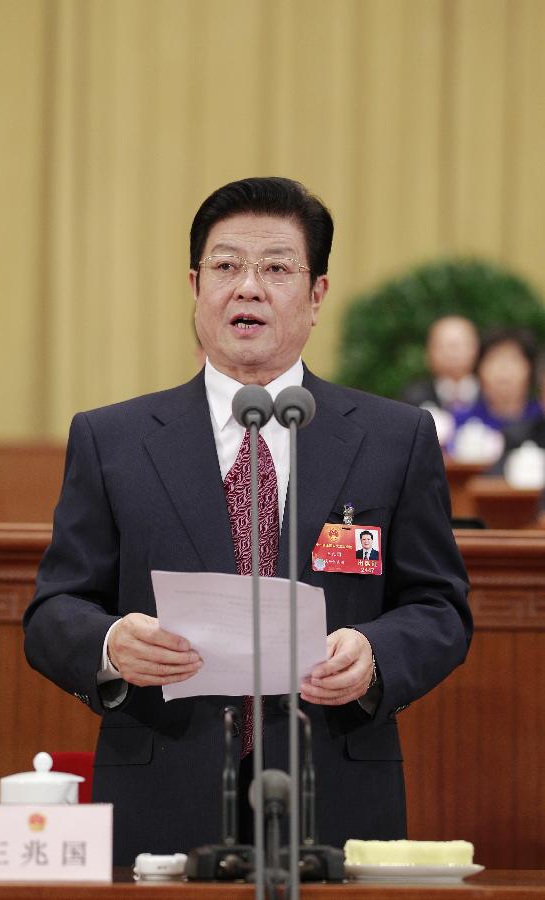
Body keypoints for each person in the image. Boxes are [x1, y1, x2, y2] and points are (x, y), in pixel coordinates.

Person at [24, 177, 472, 866]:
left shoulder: (394, 438)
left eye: (275, 268)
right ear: (196, 285)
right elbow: (54, 609)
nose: (248, 288)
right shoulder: (111, 438)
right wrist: (112, 642)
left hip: (336, 792)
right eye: (226, 266)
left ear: (316, 294)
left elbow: (439, 607)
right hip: (162, 792)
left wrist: (375, 655)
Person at [455, 329, 541, 433]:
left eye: (513, 360)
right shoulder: (460, 422)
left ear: (530, 368)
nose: (503, 368)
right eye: (494, 360)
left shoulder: (541, 416)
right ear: (479, 369)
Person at [401, 315, 480, 413]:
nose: (453, 352)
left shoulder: (491, 394)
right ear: (428, 352)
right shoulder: (413, 396)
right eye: (444, 345)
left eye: (459, 345)